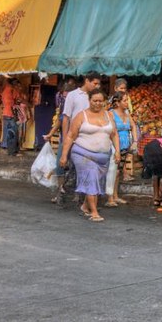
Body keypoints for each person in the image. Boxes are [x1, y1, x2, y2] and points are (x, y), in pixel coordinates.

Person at [59, 88, 120, 222]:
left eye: (100, 101)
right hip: (82, 153)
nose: (97, 103)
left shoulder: (109, 115)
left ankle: (85, 206)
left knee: (96, 182)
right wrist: (64, 155)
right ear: (89, 100)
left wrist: (118, 152)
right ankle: (94, 212)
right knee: (91, 178)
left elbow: (114, 134)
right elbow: (70, 136)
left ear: (104, 102)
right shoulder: (81, 116)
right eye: (94, 101)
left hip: (103, 156)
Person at [52, 75, 98, 206]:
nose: (96, 86)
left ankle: (79, 195)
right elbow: (66, 117)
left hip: (86, 138)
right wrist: (66, 137)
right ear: (87, 81)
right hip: (71, 136)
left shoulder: (94, 98)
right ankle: (60, 191)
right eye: (94, 83)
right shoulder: (73, 95)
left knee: (81, 167)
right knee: (61, 164)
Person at [107, 79, 139, 208]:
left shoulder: (126, 113)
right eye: (125, 101)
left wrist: (135, 141)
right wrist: (117, 149)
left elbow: (133, 126)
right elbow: (112, 132)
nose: (127, 103)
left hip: (125, 145)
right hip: (114, 146)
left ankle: (115, 195)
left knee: (118, 172)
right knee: (112, 172)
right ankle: (109, 197)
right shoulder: (111, 114)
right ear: (118, 102)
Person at [1, 78, 24, 155]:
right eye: (16, 83)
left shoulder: (5, 90)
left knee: (8, 133)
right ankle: (13, 152)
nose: (17, 85)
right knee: (14, 133)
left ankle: (9, 149)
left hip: (5, 113)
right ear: (13, 83)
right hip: (11, 113)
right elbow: (19, 99)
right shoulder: (13, 90)